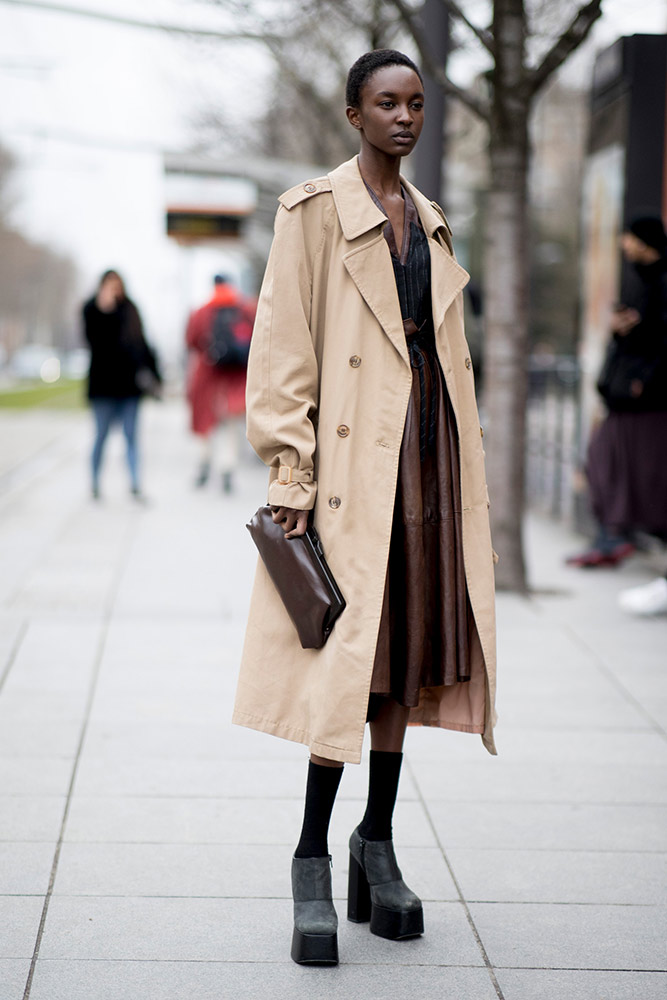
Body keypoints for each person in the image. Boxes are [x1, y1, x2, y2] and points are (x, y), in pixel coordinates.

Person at [233, 49, 497, 966]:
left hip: (426, 459)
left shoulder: (431, 222)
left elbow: (443, 356)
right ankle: (311, 857)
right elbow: (282, 349)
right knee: (349, 662)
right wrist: (290, 475)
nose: (405, 117)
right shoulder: (311, 212)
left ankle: (374, 843)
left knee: (407, 654)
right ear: (353, 114)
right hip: (353, 467)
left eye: (417, 103)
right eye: (387, 102)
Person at [567, 216, 667, 568]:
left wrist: (645, 380)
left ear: (643, 239)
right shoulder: (641, 280)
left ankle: (616, 538)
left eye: (628, 237)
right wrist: (620, 328)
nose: (624, 244)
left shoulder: (661, 282)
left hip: (646, 401)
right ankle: (611, 537)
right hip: (626, 398)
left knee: (641, 473)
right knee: (604, 464)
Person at [83, 269, 161, 500]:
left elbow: (141, 343)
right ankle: (95, 483)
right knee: (101, 436)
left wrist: (155, 376)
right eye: (109, 286)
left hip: (129, 388)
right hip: (102, 387)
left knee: (131, 437)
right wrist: (103, 309)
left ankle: (135, 484)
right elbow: (92, 341)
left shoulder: (130, 309)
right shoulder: (91, 309)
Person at [185, 274, 254, 493]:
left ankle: (205, 461)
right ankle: (227, 466)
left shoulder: (201, 312)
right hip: (236, 377)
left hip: (208, 376)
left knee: (207, 423)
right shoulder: (244, 308)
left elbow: (191, 341)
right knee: (232, 426)